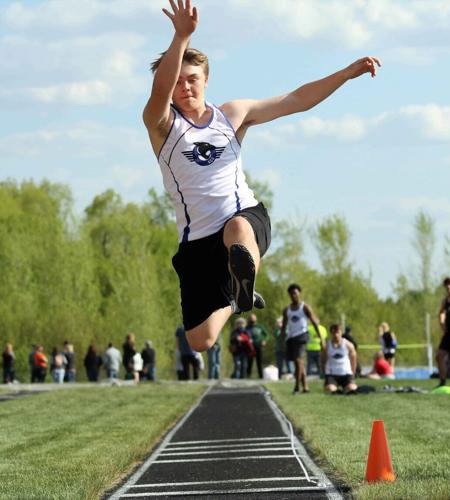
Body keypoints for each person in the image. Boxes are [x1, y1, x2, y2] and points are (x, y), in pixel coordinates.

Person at [143, 0, 380, 356]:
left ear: (206, 80)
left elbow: (296, 99)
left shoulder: (232, 115)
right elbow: (159, 92)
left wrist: (345, 74)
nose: (185, 88)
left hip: (244, 217)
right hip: (197, 241)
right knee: (200, 340)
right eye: (177, 82)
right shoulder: (162, 125)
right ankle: (241, 294)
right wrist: (180, 38)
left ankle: (245, 268)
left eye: (192, 80)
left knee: (237, 231)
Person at [282, 284, 322, 394]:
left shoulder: (305, 307)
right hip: (291, 337)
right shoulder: (287, 310)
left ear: (299, 293)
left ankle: (296, 387)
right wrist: (282, 341)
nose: (293, 295)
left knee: (299, 360)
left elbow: (314, 322)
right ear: (289, 295)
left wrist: (321, 339)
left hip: (302, 335)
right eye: (291, 293)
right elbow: (284, 326)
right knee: (297, 363)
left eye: (295, 293)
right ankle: (305, 386)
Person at [321, 324, 358, 394]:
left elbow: (354, 360)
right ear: (331, 333)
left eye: (337, 332)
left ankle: (345, 389)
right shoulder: (326, 346)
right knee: (330, 389)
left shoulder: (348, 345)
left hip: (346, 374)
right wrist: (324, 373)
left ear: (341, 332)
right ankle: (336, 389)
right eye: (334, 332)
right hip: (332, 374)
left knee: (352, 388)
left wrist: (353, 373)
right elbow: (322, 360)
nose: (336, 335)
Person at [245, 313, 267, 379]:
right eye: (251, 318)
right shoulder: (246, 328)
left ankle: (261, 376)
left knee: (259, 361)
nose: (252, 319)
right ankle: (248, 376)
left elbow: (266, 335)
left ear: (256, 319)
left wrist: (264, 340)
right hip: (249, 347)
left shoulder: (260, 327)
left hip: (259, 346)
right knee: (249, 361)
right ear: (248, 319)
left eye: (253, 318)